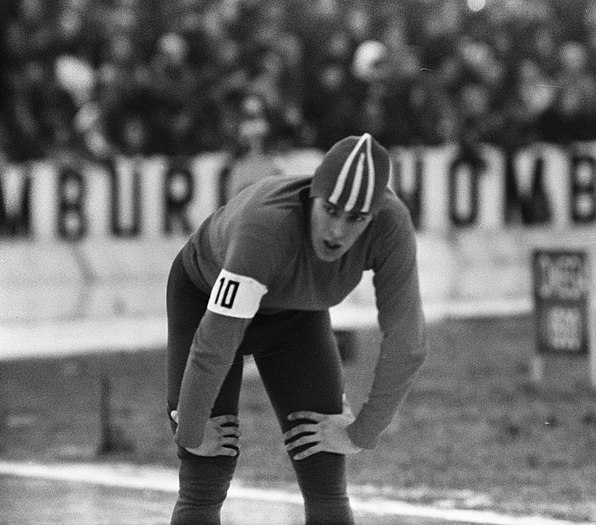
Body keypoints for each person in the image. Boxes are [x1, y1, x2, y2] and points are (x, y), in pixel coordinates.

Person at [166, 133, 427, 525]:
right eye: (331, 210)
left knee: (323, 467)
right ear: (311, 197)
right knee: (206, 471)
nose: (337, 231)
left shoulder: (391, 225)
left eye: (356, 219)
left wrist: (362, 431)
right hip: (204, 300)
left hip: (295, 315)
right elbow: (216, 338)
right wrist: (189, 428)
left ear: (375, 217)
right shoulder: (266, 229)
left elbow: (407, 341)